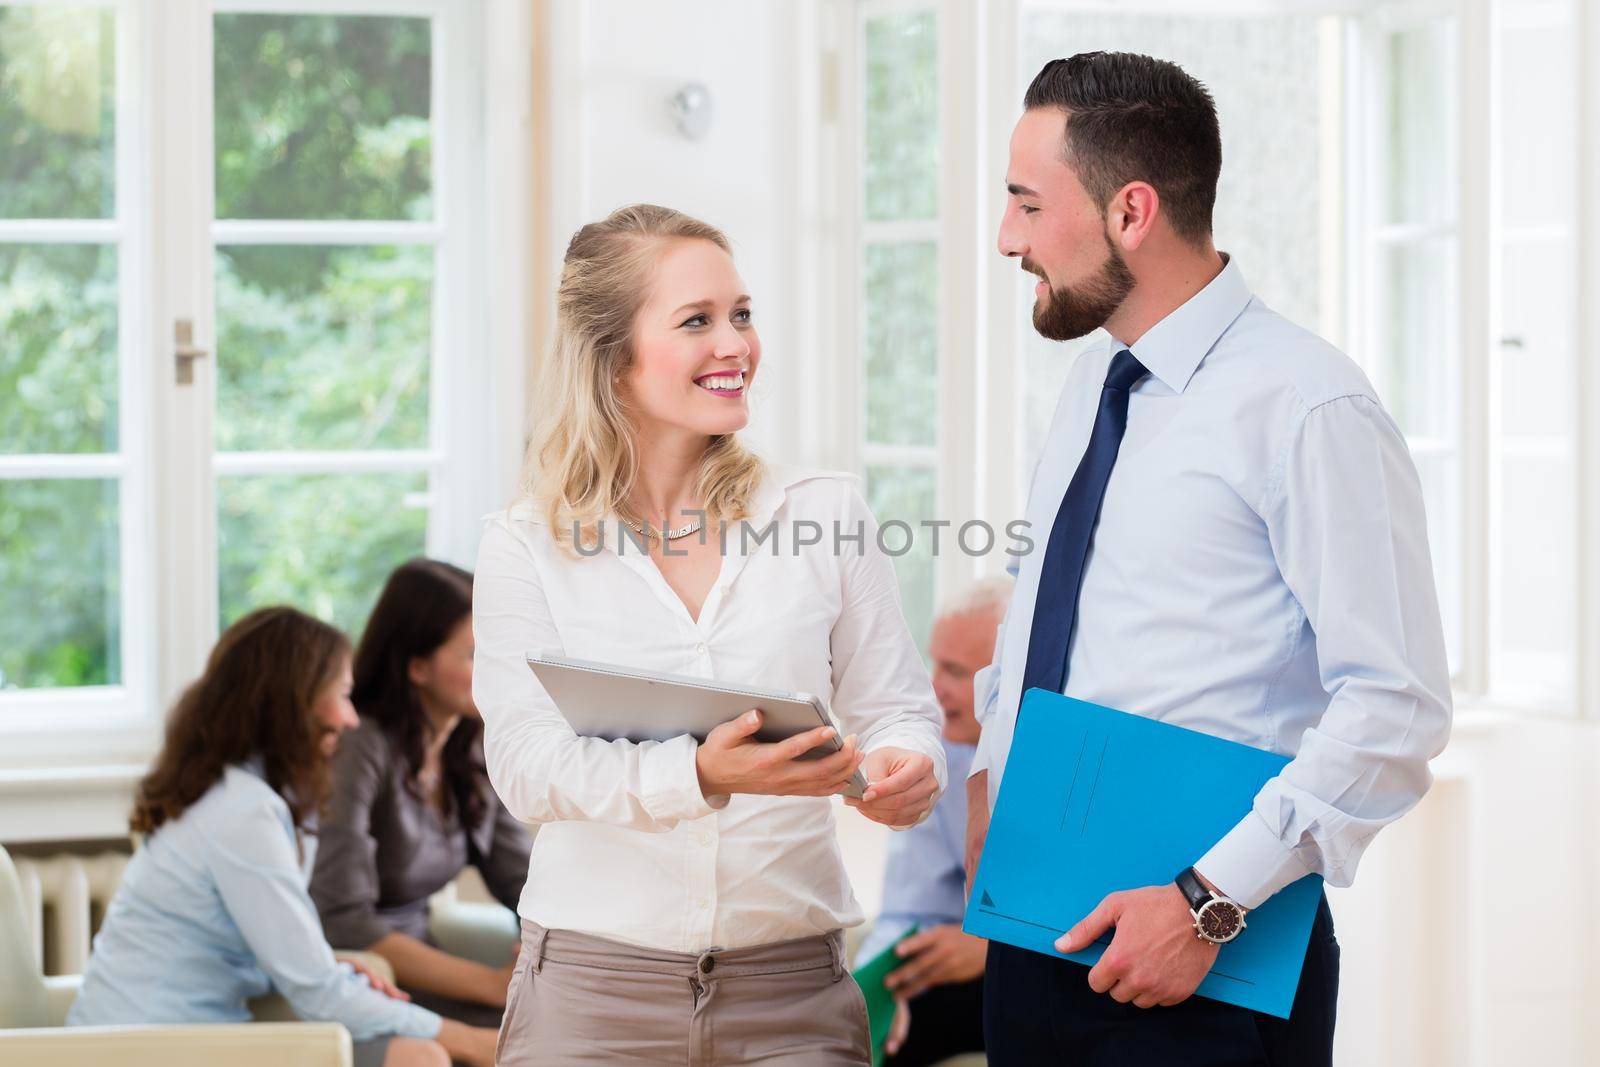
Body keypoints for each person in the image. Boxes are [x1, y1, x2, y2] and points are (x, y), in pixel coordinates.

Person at [967, 52, 1452, 1067]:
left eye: (1025, 203)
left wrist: (1205, 902)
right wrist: (988, 782)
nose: (1006, 238)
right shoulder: (1094, 385)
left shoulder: (1309, 406)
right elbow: (1063, 622)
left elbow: (1395, 703)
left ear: (1130, 211)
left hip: (1205, 959)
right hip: (1035, 938)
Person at [473, 203, 947, 1066]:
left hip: (793, 998)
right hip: (588, 1001)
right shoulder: (524, 543)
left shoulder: (822, 511)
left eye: (742, 314)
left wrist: (904, 765)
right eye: (697, 321)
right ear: (613, 360)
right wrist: (696, 773)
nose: (736, 344)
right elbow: (526, 767)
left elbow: (900, 711)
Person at [67, 607, 498, 1067]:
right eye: (343, 696)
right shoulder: (242, 812)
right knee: (421, 1057)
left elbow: (257, 953)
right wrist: (472, 1041)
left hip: (187, 1037)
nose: (351, 719)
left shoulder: (249, 797)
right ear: (295, 702)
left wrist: (325, 963)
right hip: (149, 1050)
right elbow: (317, 993)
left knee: (418, 1053)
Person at [311, 559, 533, 1028]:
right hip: (363, 977)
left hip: (424, 969)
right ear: (417, 667)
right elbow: (343, 922)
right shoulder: (360, 747)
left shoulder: (469, 748)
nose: (495, 670)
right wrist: (493, 985)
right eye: (474, 655)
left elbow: (525, 885)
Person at [856, 576, 1011, 1065]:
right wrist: (876, 995)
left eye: (956, 671)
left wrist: (989, 948)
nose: (932, 688)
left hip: (1053, 963)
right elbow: (907, 913)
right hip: (971, 974)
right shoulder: (935, 759)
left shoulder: (1073, 756)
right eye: (934, 663)